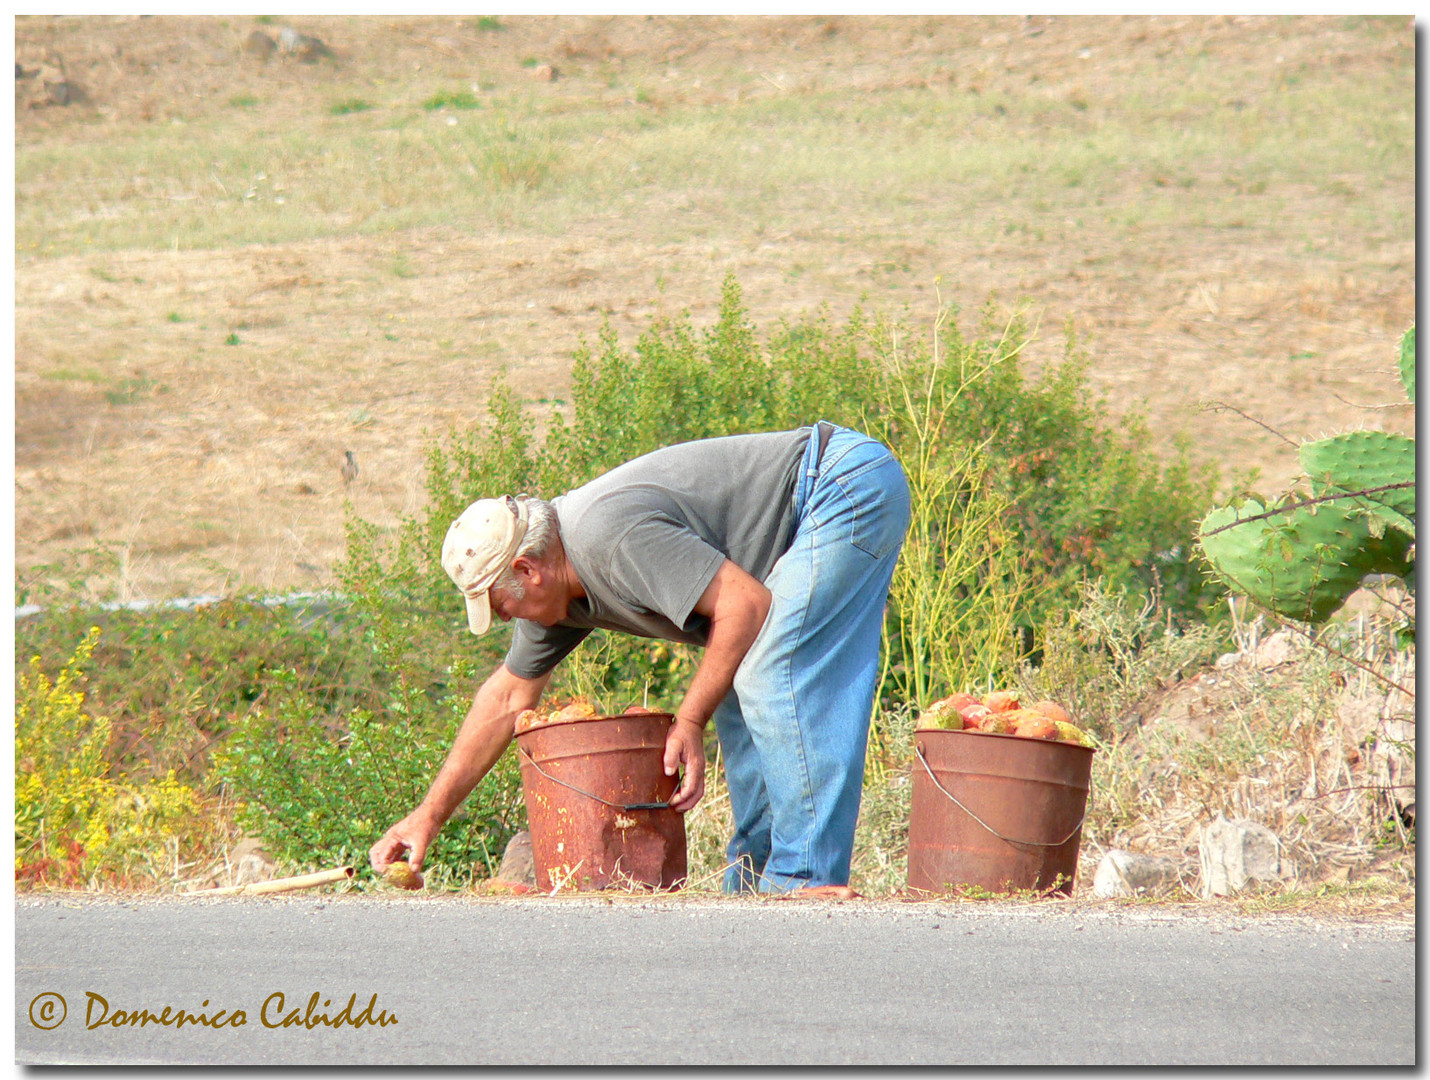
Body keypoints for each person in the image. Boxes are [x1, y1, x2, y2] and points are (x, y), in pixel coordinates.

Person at [368, 422, 911, 893]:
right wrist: (427, 817)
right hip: (810, 510)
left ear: (528, 570)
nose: (506, 619)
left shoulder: (606, 538)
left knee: (771, 674)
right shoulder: (555, 593)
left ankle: (805, 886)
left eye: (499, 604)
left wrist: (690, 719)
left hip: (839, 487)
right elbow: (508, 696)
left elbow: (745, 603)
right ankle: (753, 890)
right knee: (739, 687)